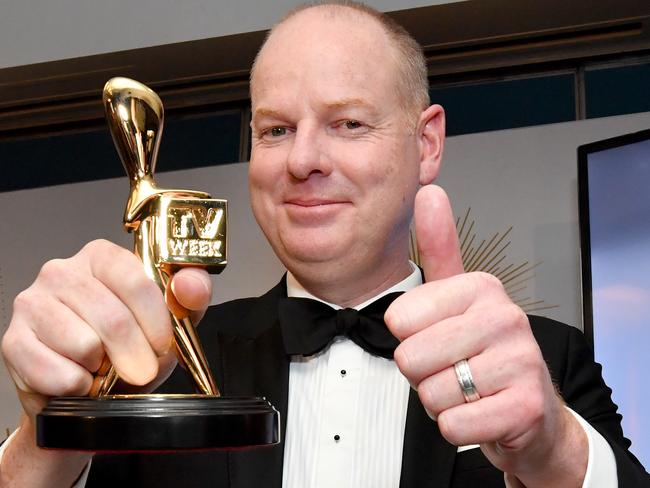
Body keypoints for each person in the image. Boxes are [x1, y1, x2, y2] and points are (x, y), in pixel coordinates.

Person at [1, 2, 647, 487]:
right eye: (276, 129)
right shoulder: (154, 371)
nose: (303, 159)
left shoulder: (548, 361)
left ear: (426, 145)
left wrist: (554, 448)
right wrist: (45, 433)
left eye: (348, 123)